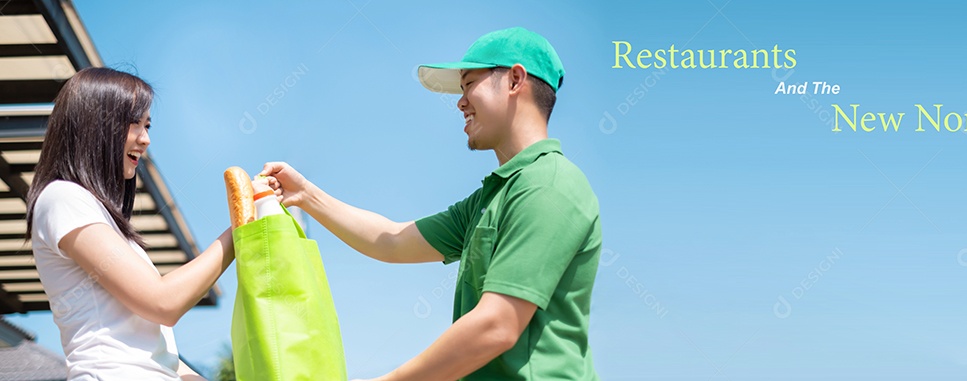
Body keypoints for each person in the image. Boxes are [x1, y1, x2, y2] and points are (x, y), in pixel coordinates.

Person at [261, 27, 602, 380]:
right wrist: (305, 195)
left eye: (469, 84)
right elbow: (393, 239)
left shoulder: (548, 185)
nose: (460, 101)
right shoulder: (493, 197)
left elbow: (497, 324)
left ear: (515, 79)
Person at [26, 67, 235, 380]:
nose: (146, 138)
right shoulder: (63, 197)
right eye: (134, 123)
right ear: (94, 124)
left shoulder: (106, 221)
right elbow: (163, 302)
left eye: (147, 125)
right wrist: (239, 232)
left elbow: (157, 357)